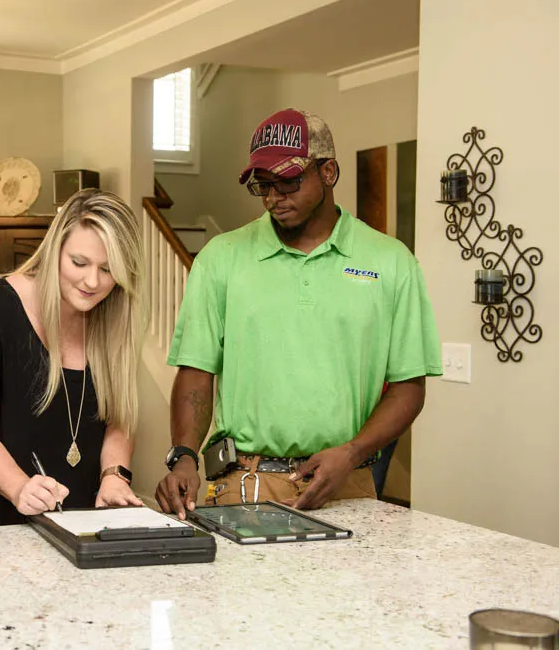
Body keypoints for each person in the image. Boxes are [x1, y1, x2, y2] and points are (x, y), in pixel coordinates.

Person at [155, 108, 441, 519]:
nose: (273, 197)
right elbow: (196, 371)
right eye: (262, 185)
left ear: (328, 172)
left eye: (288, 181)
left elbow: (408, 385)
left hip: (348, 483)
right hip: (243, 484)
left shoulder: (392, 262)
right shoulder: (221, 259)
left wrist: (352, 453)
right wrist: (183, 455)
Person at [0, 189, 144, 530]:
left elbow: (119, 417)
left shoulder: (112, 318)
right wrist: (19, 487)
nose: (92, 281)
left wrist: (115, 476)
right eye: (79, 263)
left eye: (109, 270)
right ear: (55, 250)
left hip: (69, 518)